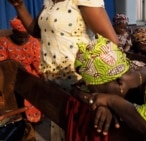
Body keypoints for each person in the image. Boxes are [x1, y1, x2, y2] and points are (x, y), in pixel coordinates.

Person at [8, 0, 119, 140]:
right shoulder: (49, 1)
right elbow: (38, 31)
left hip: (82, 86)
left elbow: (111, 43)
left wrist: (105, 94)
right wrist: (20, 6)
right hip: (56, 86)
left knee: (79, 134)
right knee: (60, 133)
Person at [0, 16, 42, 141]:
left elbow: (38, 62)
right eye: (20, 36)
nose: (24, 39)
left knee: (34, 87)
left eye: (26, 36)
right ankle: (16, 122)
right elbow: (3, 64)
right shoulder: (4, 42)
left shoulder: (34, 41)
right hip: (10, 75)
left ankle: (30, 122)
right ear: (14, 33)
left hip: (29, 75)